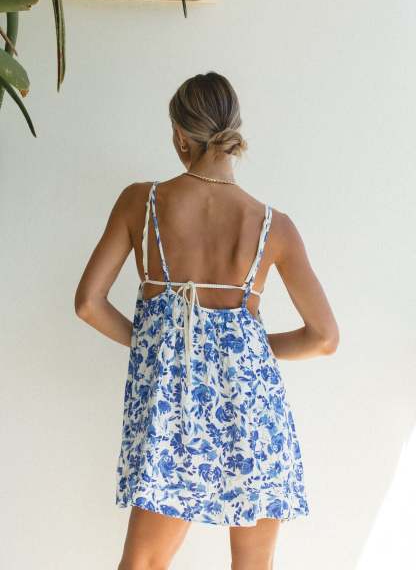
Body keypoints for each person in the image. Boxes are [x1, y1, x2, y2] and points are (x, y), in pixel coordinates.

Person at [75, 71, 339, 570]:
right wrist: (241, 350)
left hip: (172, 412)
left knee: (143, 563)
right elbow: (324, 338)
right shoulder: (273, 225)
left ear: (180, 136)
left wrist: (164, 347)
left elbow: (89, 302)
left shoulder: (142, 202)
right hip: (255, 411)